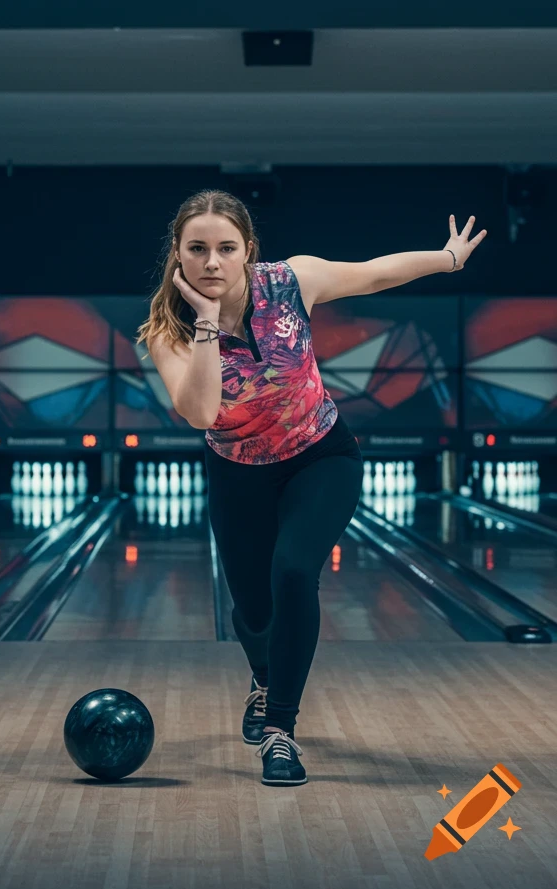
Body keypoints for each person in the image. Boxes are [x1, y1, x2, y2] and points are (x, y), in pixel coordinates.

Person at [137, 190, 485, 786]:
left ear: (248, 250)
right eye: (198, 249)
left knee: (294, 571)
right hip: (236, 473)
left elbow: (375, 275)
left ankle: (280, 731)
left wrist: (447, 259)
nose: (212, 262)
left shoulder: (290, 281)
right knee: (251, 608)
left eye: (226, 248)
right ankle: (264, 677)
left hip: (320, 457)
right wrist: (203, 323)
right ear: (178, 254)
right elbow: (199, 412)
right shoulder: (167, 331)